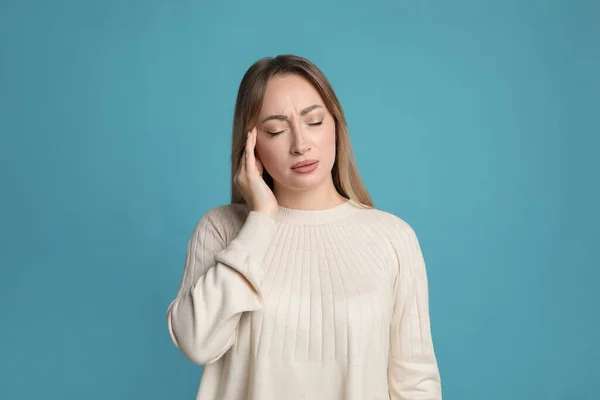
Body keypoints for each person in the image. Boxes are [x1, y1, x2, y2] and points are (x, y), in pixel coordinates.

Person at [166, 54, 442, 400]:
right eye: (276, 130)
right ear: (252, 146)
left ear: (337, 127)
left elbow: (414, 382)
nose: (300, 144)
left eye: (313, 122)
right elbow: (197, 343)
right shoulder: (221, 229)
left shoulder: (393, 238)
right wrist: (261, 218)